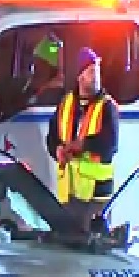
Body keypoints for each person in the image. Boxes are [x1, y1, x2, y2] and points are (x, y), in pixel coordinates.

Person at [45, 47, 120, 233]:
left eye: (98, 72)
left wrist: (81, 145)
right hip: (70, 193)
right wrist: (57, 150)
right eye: (91, 72)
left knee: (93, 246)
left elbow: (110, 145)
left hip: (96, 194)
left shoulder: (107, 106)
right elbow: (52, 138)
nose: (97, 77)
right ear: (80, 77)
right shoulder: (66, 103)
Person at [0, 33, 63, 118]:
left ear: (51, 70)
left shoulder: (50, 95)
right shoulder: (24, 84)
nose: (34, 67)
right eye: (33, 61)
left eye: (41, 63)